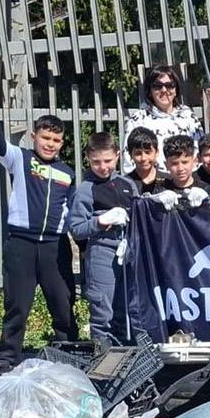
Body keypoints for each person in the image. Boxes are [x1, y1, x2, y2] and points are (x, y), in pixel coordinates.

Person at [0, 97, 78, 375]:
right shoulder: (20, 159)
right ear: (34, 137)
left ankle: (68, 355)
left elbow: (72, 212)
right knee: (17, 305)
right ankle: (7, 358)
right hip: (21, 243)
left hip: (54, 246)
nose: (50, 143)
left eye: (56, 140)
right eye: (45, 137)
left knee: (62, 303)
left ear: (62, 143)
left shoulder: (67, 173)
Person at [68, 132, 138, 346]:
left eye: (108, 161)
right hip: (101, 253)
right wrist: (100, 222)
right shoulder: (86, 189)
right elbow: (76, 228)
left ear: (117, 155)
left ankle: (127, 357)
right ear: (88, 158)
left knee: (127, 308)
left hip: (128, 252)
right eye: (96, 162)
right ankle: (102, 360)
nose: (103, 167)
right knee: (102, 308)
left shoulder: (128, 184)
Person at [122, 65, 202, 170]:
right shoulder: (138, 120)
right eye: (157, 86)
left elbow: (199, 152)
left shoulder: (188, 116)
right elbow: (128, 158)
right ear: (149, 90)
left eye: (169, 85)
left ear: (176, 90)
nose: (164, 90)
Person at [124, 127, 170, 194]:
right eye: (138, 153)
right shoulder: (125, 184)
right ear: (131, 155)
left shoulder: (168, 181)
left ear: (156, 152)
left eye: (148, 152)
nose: (143, 158)